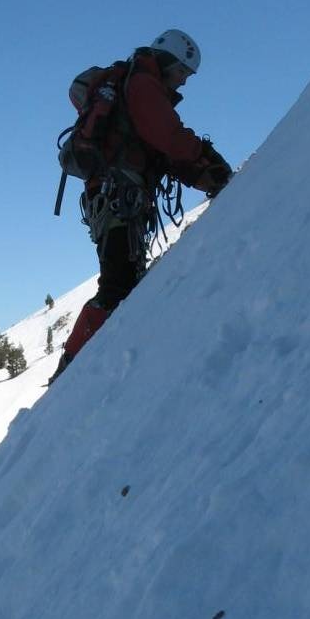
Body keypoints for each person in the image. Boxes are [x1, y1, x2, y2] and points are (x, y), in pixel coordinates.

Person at [51, 30, 232, 382]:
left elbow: (164, 153)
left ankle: (78, 366)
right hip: (118, 195)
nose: (183, 81)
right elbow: (169, 139)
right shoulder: (144, 86)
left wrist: (208, 175)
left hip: (113, 196)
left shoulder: (136, 85)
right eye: (182, 71)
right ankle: (71, 372)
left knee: (122, 281)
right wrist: (211, 164)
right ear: (167, 60)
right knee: (117, 284)